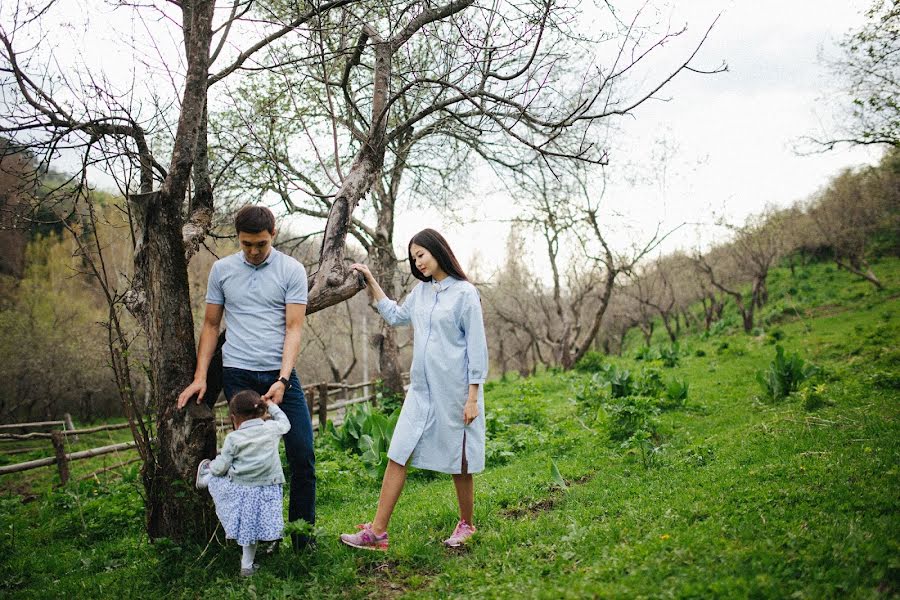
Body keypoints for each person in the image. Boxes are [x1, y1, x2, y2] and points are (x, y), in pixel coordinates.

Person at [177, 205, 315, 551]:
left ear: (274, 235)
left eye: (261, 244)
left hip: (279, 374)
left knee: (301, 453)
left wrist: (283, 380)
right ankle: (254, 539)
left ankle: (303, 539)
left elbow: (294, 328)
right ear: (238, 238)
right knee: (249, 462)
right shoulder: (222, 270)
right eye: (246, 244)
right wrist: (200, 376)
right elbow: (210, 326)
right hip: (238, 375)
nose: (254, 251)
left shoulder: (291, 270)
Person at [340, 228, 488, 551]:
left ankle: (467, 524)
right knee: (398, 451)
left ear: (438, 250)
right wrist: (369, 279)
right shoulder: (421, 294)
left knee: (458, 462)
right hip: (420, 393)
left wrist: (473, 397)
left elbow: (477, 348)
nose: (417, 262)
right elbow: (394, 315)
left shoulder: (464, 294)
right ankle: (377, 533)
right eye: (413, 257)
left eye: (421, 254)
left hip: (456, 393)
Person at [195, 389, 291, 577]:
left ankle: (205, 479)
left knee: (247, 529)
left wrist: (212, 468)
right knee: (254, 530)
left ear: (233, 417)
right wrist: (273, 407)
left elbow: (222, 466)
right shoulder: (271, 428)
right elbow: (285, 424)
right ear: (261, 411)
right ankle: (246, 566)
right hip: (268, 489)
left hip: (244, 489)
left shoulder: (234, 438)